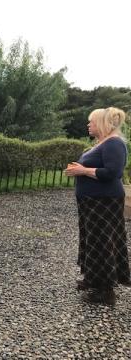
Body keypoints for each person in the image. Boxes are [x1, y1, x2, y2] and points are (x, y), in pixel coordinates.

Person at [64, 107, 131, 306]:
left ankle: (106, 290)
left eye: (91, 122)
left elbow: (113, 173)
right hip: (92, 201)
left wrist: (83, 170)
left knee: (103, 242)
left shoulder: (114, 143)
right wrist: (80, 170)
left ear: (101, 124)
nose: (88, 125)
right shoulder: (101, 143)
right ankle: (93, 278)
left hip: (104, 201)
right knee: (92, 239)